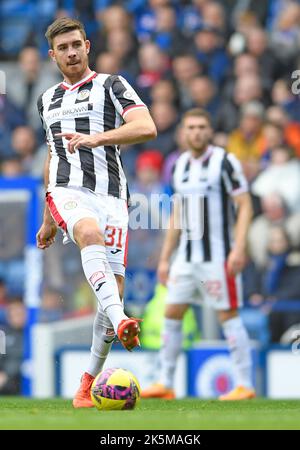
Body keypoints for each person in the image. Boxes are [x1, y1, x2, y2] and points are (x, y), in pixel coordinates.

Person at [35, 17, 157, 409]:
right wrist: (48, 218)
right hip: (67, 191)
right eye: (63, 48)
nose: (71, 53)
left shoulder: (113, 85)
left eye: (76, 45)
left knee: (112, 293)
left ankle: (86, 384)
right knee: (88, 233)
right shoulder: (47, 99)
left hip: (113, 198)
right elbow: (52, 154)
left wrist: (98, 138)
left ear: (87, 45)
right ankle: (124, 321)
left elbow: (147, 127)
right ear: (52, 55)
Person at [141, 108, 255, 401]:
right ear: (183, 132)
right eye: (191, 127)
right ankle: (165, 382)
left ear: (210, 130)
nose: (196, 132)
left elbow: (244, 205)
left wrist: (239, 247)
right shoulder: (178, 166)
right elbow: (177, 215)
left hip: (218, 256)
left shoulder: (225, 162)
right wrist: (166, 257)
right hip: (186, 258)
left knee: (228, 314)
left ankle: (244, 384)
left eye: (202, 126)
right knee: (171, 311)